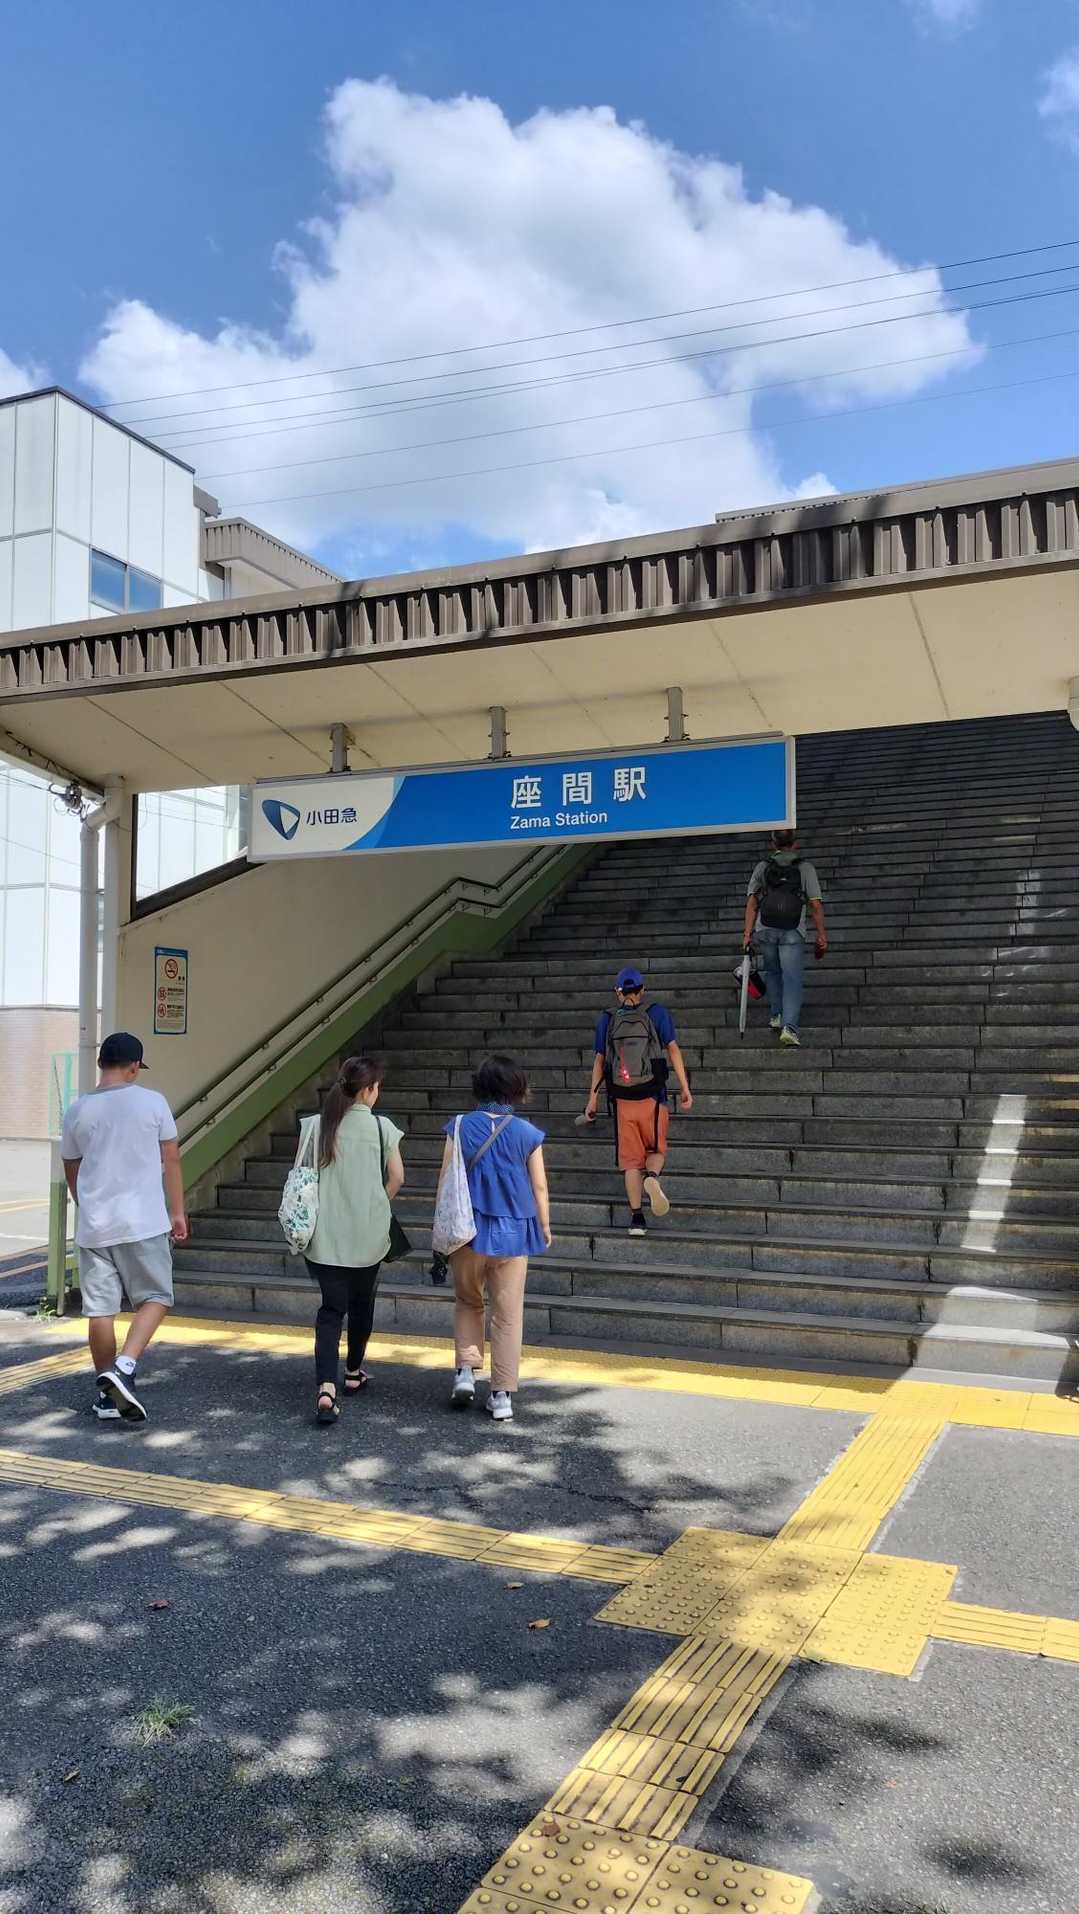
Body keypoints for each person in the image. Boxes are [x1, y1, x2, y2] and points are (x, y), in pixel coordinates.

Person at [60, 1032, 186, 1425]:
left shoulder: (77, 1110)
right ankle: (125, 1368)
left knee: (100, 1310)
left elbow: (71, 1166)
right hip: (143, 1222)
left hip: (95, 1226)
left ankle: (106, 1397)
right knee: (157, 1296)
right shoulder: (153, 1102)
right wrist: (178, 1212)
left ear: (101, 1065)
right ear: (134, 1067)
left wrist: (85, 1204)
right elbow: (172, 1159)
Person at [440, 1056, 551, 1423]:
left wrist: (440, 1229)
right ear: (515, 1089)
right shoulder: (527, 1133)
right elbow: (539, 1186)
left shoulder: (458, 1127)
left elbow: (446, 1181)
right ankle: (502, 1395)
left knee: (468, 1301)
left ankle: (465, 1372)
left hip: (467, 1231)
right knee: (508, 1314)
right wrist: (544, 1225)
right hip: (514, 1232)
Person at [305, 1055, 404, 1426]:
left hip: (324, 1236)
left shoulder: (317, 1125)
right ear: (369, 1090)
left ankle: (325, 1389)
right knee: (362, 1304)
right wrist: (378, 1203)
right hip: (368, 1236)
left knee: (331, 1311)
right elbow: (397, 1178)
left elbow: (302, 1177)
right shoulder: (382, 1128)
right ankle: (352, 1372)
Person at [583, 967, 693, 1238]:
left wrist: (592, 1099)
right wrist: (685, 1087)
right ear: (642, 990)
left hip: (623, 1099)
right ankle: (652, 1179)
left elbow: (599, 1060)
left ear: (617, 992)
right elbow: (673, 1049)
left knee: (631, 1162)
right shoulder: (657, 1013)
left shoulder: (608, 1018)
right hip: (653, 1098)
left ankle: (637, 1220)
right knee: (655, 1150)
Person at [743, 829, 828, 1048]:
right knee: (791, 978)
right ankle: (789, 1028)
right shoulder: (805, 868)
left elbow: (752, 902)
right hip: (793, 930)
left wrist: (747, 934)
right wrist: (821, 933)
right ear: (795, 843)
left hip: (766, 928)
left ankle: (776, 1014)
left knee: (772, 972)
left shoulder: (762, 867)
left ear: (773, 844)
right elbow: (815, 904)